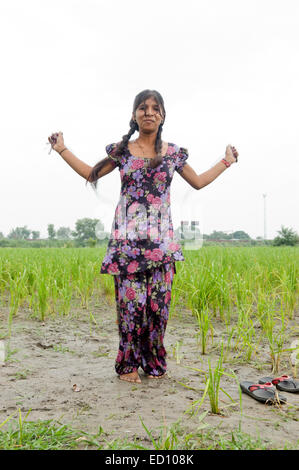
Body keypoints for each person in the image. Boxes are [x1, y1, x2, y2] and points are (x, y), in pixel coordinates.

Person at [48, 89, 239, 384]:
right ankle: (127, 365)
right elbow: (91, 174)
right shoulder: (122, 151)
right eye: (143, 108)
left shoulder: (173, 153)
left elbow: (198, 182)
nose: (149, 112)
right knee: (130, 307)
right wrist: (62, 149)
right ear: (135, 115)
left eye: (155, 108)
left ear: (162, 115)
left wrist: (226, 161)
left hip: (162, 245)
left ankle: (153, 362)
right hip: (127, 246)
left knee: (158, 309)